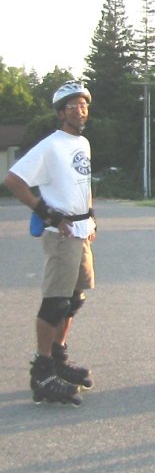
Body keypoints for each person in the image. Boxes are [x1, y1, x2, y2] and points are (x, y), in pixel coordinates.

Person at [5, 81, 98, 406]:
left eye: (83, 105)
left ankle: (58, 357)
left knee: (73, 299)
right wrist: (47, 212)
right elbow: (13, 180)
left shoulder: (83, 143)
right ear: (61, 113)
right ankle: (42, 373)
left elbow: (82, 183)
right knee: (55, 302)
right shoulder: (50, 145)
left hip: (81, 231)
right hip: (60, 234)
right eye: (72, 106)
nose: (79, 110)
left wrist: (91, 218)